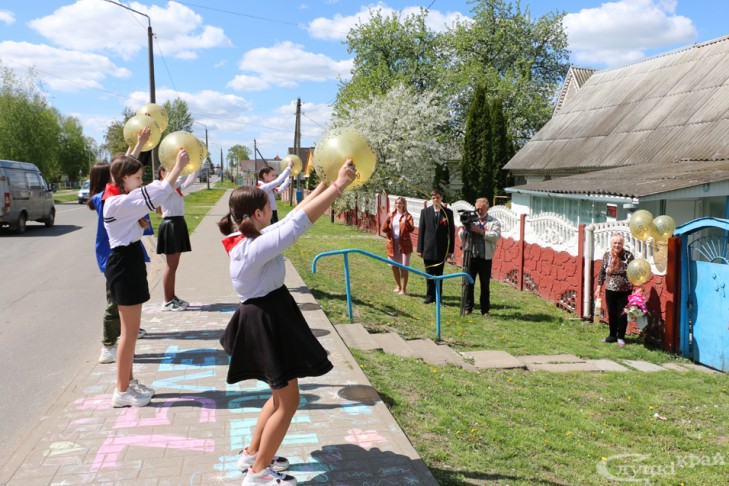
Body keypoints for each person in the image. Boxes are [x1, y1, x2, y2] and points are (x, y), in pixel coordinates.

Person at [219, 159, 357, 486]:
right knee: (289, 401)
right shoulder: (252, 247)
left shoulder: (249, 236)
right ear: (256, 214)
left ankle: (253, 454)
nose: (273, 210)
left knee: (279, 397)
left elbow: (294, 217)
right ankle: (259, 474)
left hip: (268, 315)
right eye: (269, 206)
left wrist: (325, 182)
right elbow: (298, 225)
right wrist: (339, 186)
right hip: (266, 321)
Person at [103, 140, 189, 407]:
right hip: (124, 264)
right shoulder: (118, 203)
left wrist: (138, 145)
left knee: (128, 333)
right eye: (137, 177)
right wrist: (177, 167)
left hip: (127, 261)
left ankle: (127, 382)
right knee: (128, 334)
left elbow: (138, 181)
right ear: (123, 179)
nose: (141, 182)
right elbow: (158, 193)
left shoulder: (119, 196)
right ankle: (121, 390)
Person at [88, 164, 150, 363]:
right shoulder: (104, 200)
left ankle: (125, 333)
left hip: (123, 253)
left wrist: (139, 144)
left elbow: (125, 164)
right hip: (113, 255)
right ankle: (108, 345)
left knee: (122, 303)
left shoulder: (112, 197)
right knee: (113, 302)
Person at [156, 166, 198, 311]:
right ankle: (167, 300)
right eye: (170, 169)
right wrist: (181, 166)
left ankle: (171, 297)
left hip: (177, 223)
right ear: (162, 173)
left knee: (173, 266)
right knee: (171, 266)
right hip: (171, 225)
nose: (175, 172)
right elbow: (181, 177)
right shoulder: (165, 186)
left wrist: (196, 163)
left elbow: (191, 178)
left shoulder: (174, 187)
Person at [458, 198, 501, 316]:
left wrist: (480, 231)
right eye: (477, 208)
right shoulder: (471, 219)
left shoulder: (494, 222)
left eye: (481, 209)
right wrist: (464, 228)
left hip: (485, 258)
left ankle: (485, 310)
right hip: (470, 256)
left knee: (485, 285)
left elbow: (495, 236)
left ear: (487, 208)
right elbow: (461, 237)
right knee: (468, 284)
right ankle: (468, 308)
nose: (479, 211)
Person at [595, 233, 635, 348]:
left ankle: (621, 337)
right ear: (611, 244)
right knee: (611, 313)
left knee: (622, 315)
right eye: (615, 243)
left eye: (619, 243)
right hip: (610, 290)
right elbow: (602, 272)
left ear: (622, 244)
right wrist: (598, 287)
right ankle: (612, 336)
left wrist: (637, 287)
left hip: (624, 291)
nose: (617, 245)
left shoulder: (628, 256)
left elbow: (634, 272)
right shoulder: (607, 255)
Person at [417, 188, 455, 304]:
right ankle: (429, 295)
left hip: (441, 249)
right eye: (433, 198)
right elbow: (421, 231)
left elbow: (451, 233)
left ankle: (438, 297)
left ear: (441, 198)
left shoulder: (447, 213)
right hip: (428, 248)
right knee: (428, 273)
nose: (435, 200)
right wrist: (420, 248)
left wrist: (450, 250)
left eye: (437, 197)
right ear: (431, 199)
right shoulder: (425, 212)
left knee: (439, 274)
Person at [381, 196, 414, 295]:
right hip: (392, 244)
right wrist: (387, 219)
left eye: (400, 203)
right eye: (396, 203)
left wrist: (406, 221)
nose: (398, 205)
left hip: (404, 245)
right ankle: (398, 286)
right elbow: (384, 230)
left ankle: (403, 289)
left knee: (404, 267)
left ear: (404, 204)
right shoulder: (391, 215)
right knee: (394, 266)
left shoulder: (408, 216)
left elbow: (411, 229)